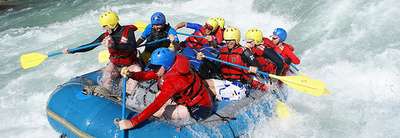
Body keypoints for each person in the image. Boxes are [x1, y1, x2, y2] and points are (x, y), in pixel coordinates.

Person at [118, 48, 214, 129]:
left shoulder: (175, 81)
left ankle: (171, 124)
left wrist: (133, 122)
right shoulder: (169, 66)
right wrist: (131, 74)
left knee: (166, 110)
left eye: (156, 67)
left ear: (165, 66)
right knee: (159, 95)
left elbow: (156, 105)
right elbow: (147, 75)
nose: (153, 70)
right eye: (152, 66)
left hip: (200, 108)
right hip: (187, 99)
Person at [63, 11, 141, 95]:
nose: (104, 28)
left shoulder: (128, 31)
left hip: (131, 65)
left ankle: (127, 96)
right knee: (107, 77)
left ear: (111, 24)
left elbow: (131, 47)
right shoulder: (106, 36)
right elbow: (91, 45)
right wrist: (73, 50)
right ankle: (108, 95)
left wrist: (113, 45)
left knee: (137, 71)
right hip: (115, 64)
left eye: (105, 26)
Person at [197, 27, 269, 100]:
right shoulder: (223, 51)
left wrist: (255, 69)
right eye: (227, 40)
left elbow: (259, 68)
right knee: (202, 84)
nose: (228, 43)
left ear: (236, 40)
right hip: (226, 82)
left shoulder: (245, 52)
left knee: (209, 91)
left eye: (231, 40)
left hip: (241, 86)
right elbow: (216, 67)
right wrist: (204, 59)